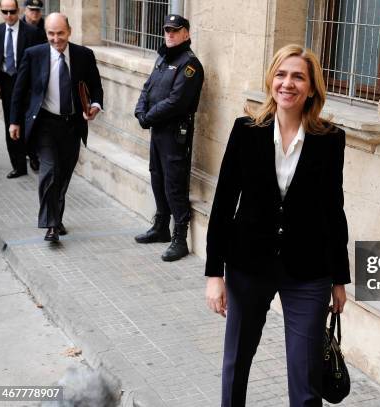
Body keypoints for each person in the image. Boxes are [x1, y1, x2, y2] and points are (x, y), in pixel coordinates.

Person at [204, 44, 350, 407]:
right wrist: (214, 274)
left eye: (298, 76)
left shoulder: (330, 139)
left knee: (306, 378)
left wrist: (339, 279)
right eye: (281, 75)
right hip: (248, 265)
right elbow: (223, 204)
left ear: (312, 87)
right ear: (271, 81)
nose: (288, 84)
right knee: (237, 362)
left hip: (308, 271)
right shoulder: (246, 131)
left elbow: (334, 209)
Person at [9, 12, 103, 242]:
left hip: (72, 125)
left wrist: (95, 106)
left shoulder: (84, 55)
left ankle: (56, 217)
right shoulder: (34, 55)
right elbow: (19, 90)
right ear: (46, 33)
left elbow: (96, 87)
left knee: (63, 176)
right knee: (49, 172)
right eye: (51, 33)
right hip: (45, 124)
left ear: (69, 31)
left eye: (60, 33)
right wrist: (14, 121)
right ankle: (51, 225)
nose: (55, 38)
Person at [134, 14, 204, 262]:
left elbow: (177, 102)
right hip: (157, 131)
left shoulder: (190, 65)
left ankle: (180, 239)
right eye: (167, 30)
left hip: (175, 134)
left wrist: (148, 116)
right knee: (157, 176)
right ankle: (161, 226)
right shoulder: (163, 58)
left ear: (186, 33)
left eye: (176, 30)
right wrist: (140, 110)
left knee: (174, 184)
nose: (170, 34)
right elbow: (148, 87)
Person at [0, 0, 42, 178]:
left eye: (12, 12)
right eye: (4, 12)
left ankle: (34, 157)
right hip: (7, 82)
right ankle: (18, 165)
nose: (9, 16)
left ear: (18, 10)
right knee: (11, 122)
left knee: (30, 121)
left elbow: (39, 60)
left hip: (28, 84)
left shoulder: (32, 32)